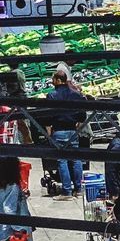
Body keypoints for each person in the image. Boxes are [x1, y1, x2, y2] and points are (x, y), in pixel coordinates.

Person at [38, 69, 87, 199]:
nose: (52, 82)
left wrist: (48, 131)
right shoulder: (76, 95)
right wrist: (78, 125)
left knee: (62, 160)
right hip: (72, 131)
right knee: (76, 160)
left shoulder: (52, 96)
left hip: (59, 131)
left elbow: (48, 115)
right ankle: (79, 189)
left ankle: (66, 192)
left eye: (53, 79)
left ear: (58, 80)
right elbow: (82, 115)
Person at [0, 157, 32, 241]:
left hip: (3, 232)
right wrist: (18, 229)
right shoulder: (12, 186)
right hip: (14, 232)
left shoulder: (3, 186)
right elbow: (9, 208)